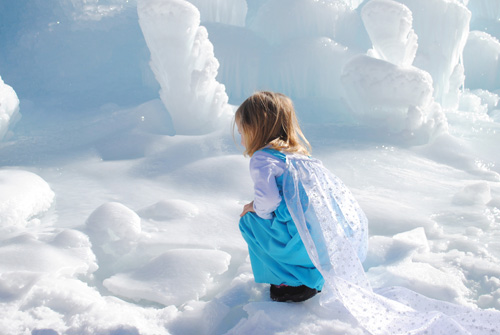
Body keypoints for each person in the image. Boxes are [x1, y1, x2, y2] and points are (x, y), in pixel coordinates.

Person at [235, 91, 368, 303]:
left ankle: (288, 281)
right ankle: (311, 277)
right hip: (319, 243)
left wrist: (253, 207)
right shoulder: (303, 157)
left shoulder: (263, 158)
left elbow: (268, 202)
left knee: (248, 221)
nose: (241, 139)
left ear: (255, 129)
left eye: (242, 132)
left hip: (298, 242)